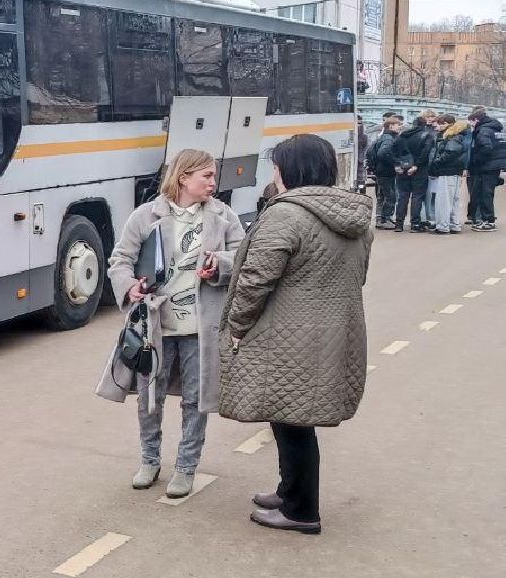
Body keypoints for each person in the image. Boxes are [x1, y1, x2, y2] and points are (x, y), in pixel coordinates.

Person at [219, 135, 372, 534]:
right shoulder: (352, 214)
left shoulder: (287, 215)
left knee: (293, 422)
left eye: (277, 166)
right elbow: (360, 275)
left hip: (289, 335)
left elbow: (255, 279)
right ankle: (289, 492)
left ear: (292, 169)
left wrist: (237, 325)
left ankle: (301, 511)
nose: (274, 174)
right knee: (291, 417)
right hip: (334, 330)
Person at [96, 149, 244, 498]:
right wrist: (129, 285)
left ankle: (186, 467)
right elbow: (120, 260)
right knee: (150, 397)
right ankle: (149, 460)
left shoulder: (224, 216)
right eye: (206, 175)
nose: (213, 182)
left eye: (213, 175)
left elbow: (242, 256)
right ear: (183, 178)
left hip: (200, 327)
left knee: (196, 400)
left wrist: (219, 264)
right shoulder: (146, 216)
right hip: (155, 325)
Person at [427, 113, 472, 235]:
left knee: (443, 201)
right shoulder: (459, 135)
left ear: (448, 124)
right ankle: (454, 224)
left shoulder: (451, 137)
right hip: (454, 172)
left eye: (442, 123)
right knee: (453, 200)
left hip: (446, 171)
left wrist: (436, 162)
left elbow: (450, 153)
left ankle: (443, 226)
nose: (439, 126)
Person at [391, 111, 436, 232]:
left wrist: (397, 165)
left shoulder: (402, 135)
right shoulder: (427, 135)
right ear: (424, 124)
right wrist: (416, 165)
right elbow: (426, 152)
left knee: (403, 196)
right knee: (417, 196)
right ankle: (415, 224)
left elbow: (393, 150)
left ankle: (399, 224)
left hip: (402, 169)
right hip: (419, 170)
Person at [468, 108, 506, 231]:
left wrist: (476, 160)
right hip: (495, 165)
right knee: (488, 193)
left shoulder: (483, 130)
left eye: (471, 122)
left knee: (485, 194)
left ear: (476, 120)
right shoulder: (496, 129)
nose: (471, 125)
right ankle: (487, 219)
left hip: (486, 166)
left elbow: (486, 148)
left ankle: (488, 221)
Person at [365, 113, 403, 228]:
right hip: (386, 172)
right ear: (390, 126)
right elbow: (383, 153)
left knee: (382, 195)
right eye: (398, 125)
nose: (400, 127)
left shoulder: (382, 137)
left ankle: (380, 219)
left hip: (380, 171)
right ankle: (385, 219)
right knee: (391, 196)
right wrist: (395, 163)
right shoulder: (389, 139)